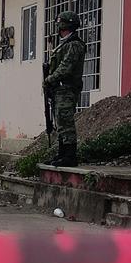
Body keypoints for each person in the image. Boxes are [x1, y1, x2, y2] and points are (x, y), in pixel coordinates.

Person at [44, 11, 86, 167]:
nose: (59, 29)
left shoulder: (74, 45)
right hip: (59, 90)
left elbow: (65, 68)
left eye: (60, 26)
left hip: (67, 89)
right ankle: (62, 154)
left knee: (66, 122)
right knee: (60, 122)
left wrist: (49, 79)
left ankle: (69, 156)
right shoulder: (64, 44)